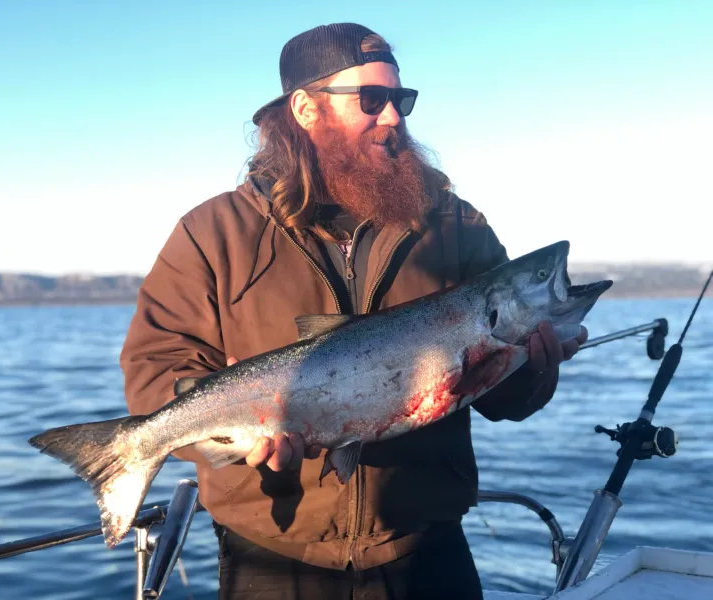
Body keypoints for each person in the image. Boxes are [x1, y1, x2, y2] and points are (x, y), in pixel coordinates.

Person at [120, 22, 587, 599]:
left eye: (401, 99)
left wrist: (534, 366)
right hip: (273, 556)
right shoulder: (213, 232)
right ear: (305, 107)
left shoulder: (456, 226)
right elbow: (156, 368)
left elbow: (503, 402)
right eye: (371, 99)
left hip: (425, 550)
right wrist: (232, 427)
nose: (393, 117)